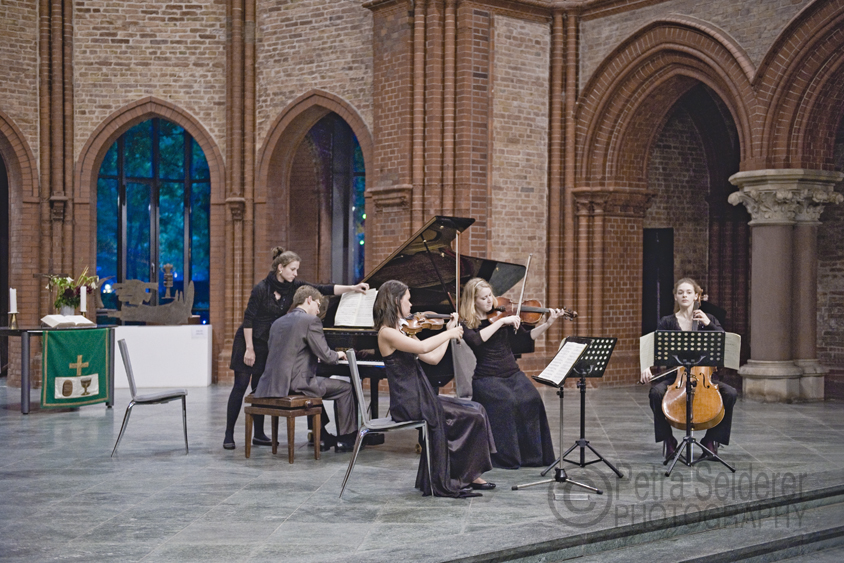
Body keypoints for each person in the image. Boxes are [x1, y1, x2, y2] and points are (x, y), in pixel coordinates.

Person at [223, 247, 368, 450]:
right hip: (248, 341)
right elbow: (248, 319)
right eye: (292, 269)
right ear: (280, 268)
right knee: (240, 386)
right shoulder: (261, 289)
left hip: (267, 342)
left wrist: (352, 288)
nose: (296, 273)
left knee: (259, 384)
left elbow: (323, 289)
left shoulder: (294, 288)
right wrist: (249, 348)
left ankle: (259, 434)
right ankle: (229, 434)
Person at [374, 280, 496, 498]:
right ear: (395, 301)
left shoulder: (402, 331)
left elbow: (432, 358)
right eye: (408, 300)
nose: (411, 306)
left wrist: (449, 332)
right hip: (409, 403)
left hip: (422, 397)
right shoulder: (387, 333)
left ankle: (466, 473)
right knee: (470, 416)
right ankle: (462, 475)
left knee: (476, 409)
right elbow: (422, 347)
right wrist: (448, 334)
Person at [459, 278, 559, 469]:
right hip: (487, 378)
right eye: (483, 298)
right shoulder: (467, 324)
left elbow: (525, 338)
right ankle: (506, 457)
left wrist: (548, 323)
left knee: (532, 399)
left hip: (512, 373)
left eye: (490, 295)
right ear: (473, 301)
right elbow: (477, 341)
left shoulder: (501, 314)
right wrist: (502, 321)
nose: (490, 300)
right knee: (506, 402)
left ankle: (532, 456)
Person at [639, 277, 738, 461]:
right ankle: (669, 441)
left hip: (704, 376)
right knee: (656, 393)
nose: (684, 295)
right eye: (680, 292)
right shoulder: (667, 322)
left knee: (730, 393)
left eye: (689, 292)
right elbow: (652, 345)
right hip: (676, 376)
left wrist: (709, 324)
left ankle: (711, 440)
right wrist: (646, 365)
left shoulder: (708, 320)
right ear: (675, 297)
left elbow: (725, 342)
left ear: (696, 296)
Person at [254, 285, 357, 452]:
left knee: (317, 386)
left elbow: (287, 351)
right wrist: (338, 354)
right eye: (318, 305)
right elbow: (327, 356)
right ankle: (346, 440)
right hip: (297, 383)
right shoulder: (310, 321)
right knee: (345, 388)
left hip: (274, 383)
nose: (318, 311)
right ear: (309, 300)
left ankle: (322, 435)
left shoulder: (278, 322)